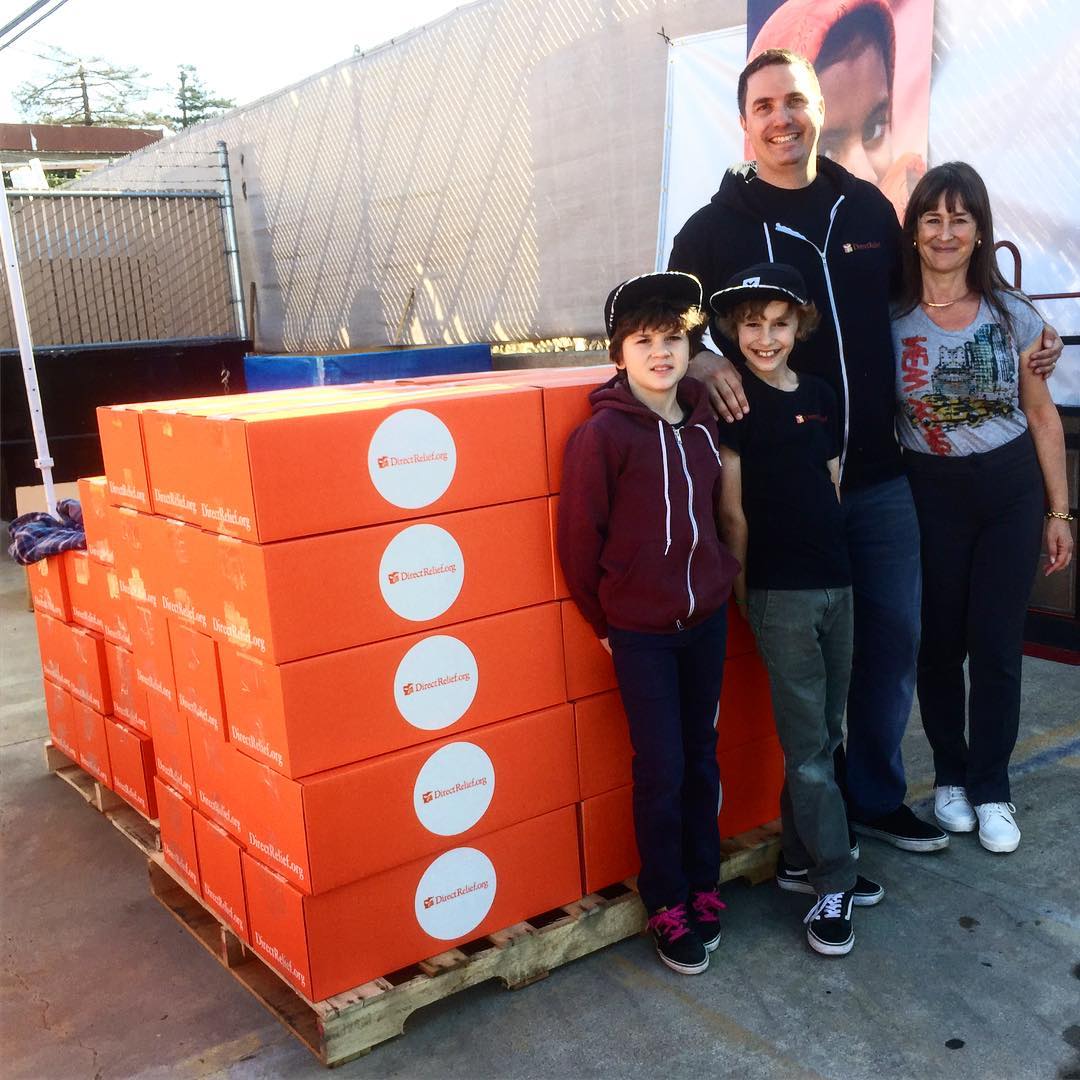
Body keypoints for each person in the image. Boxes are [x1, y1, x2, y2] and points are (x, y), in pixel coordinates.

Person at [667, 48, 1062, 856]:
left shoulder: (865, 210)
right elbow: (665, 320)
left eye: (796, 102)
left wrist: (1027, 327)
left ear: (820, 112)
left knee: (893, 646)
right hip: (789, 491)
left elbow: (928, 298)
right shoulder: (714, 227)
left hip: (884, 479)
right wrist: (704, 352)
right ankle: (817, 821)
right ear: (744, 123)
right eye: (766, 106)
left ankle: (878, 797)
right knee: (810, 670)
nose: (784, 119)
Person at [557, 271, 740, 975]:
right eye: (644, 341)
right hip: (641, 634)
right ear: (618, 352)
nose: (661, 353)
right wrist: (607, 621)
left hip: (705, 622)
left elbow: (719, 510)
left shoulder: (701, 418)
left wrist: (719, 580)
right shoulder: (603, 436)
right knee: (661, 769)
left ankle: (702, 883)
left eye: (672, 338)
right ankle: (664, 900)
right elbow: (579, 540)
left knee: (701, 756)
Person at [892, 162, 1074, 853]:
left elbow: (1043, 417)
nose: (945, 231)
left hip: (1008, 491)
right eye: (932, 218)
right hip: (927, 491)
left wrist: (1061, 514)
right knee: (938, 645)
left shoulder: (1015, 316)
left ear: (978, 231)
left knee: (996, 647)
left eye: (959, 218)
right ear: (913, 231)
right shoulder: (889, 318)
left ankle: (992, 788)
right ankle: (950, 778)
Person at [712, 262, 884, 957]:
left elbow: (832, 485)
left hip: (835, 585)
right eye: (751, 324)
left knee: (825, 733)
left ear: (799, 325)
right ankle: (834, 879)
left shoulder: (819, 394)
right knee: (809, 749)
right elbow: (732, 512)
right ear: (733, 330)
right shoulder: (734, 406)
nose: (764, 336)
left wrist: (838, 572)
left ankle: (796, 859)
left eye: (778, 322)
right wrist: (747, 594)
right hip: (779, 595)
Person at [748, 0, 925, 220]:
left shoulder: (894, 234)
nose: (866, 175)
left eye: (874, 130)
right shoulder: (730, 243)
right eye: (828, 150)